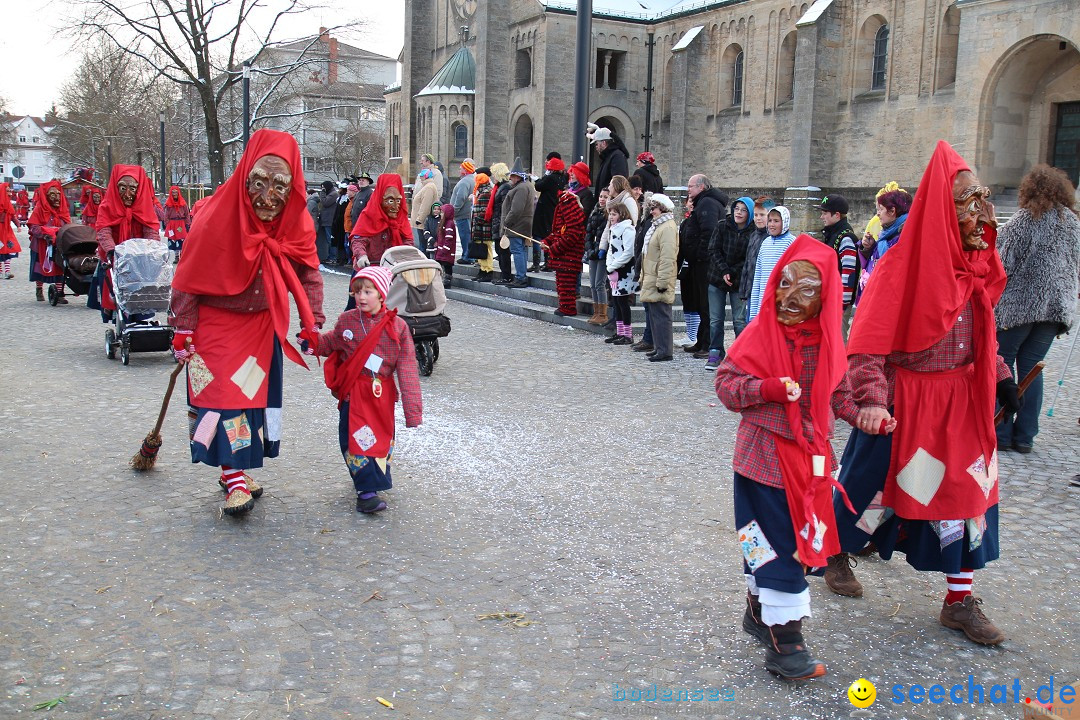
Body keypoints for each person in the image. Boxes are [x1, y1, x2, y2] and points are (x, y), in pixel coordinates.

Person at [824, 141, 1014, 647]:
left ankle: (959, 601)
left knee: (968, 495)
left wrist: (999, 375)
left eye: (984, 199)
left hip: (962, 404)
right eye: (968, 202)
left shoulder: (975, 267)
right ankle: (834, 552)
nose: (981, 213)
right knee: (868, 486)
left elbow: (981, 333)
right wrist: (871, 399)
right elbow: (866, 344)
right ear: (941, 209)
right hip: (904, 403)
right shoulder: (899, 267)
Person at [715, 234, 862, 680]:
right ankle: (787, 642)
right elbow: (726, 386)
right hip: (762, 459)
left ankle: (760, 612)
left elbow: (839, 391)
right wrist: (767, 390)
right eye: (785, 284)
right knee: (773, 542)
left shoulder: (829, 340)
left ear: (827, 297)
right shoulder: (760, 333)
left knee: (793, 539)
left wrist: (867, 415)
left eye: (807, 289)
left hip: (809, 461)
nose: (791, 298)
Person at [170, 129, 326, 516]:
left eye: (280, 185)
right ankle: (234, 475)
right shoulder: (214, 216)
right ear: (244, 177)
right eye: (259, 182)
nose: (268, 196)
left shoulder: (298, 223)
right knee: (222, 401)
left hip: (260, 327)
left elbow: (309, 274)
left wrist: (313, 322)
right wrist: (183, 328)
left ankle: (233, 470)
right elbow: (188, 276)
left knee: (251, 402)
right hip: (217, 325)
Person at [307, 265, 422, 514]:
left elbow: (408, 368)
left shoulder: (398, 327)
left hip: (381, 395)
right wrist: (311, 343)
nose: (361, 297)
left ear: (382, 294)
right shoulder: (347, 320)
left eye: (368, 291)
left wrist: (413, 412)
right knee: (354, 439)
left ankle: (368, 482)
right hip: (354, 393)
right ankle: (366, 491)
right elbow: (331, 342)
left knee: (380, 439)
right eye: (357, 291)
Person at [994, 164, 1080, 453]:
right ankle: (1025, 436)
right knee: (1033, 367)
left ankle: (1002, 431)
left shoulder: (1023, 220)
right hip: (1054, 309)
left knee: (1003, 364)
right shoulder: (1073, 222)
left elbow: (1002, 264)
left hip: (1019, 305)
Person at [95, 165, 160, 319]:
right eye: (122, 188)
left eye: (133, 188)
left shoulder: (145, 207)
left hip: (139, 258)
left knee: (144, 290)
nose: (128, 194)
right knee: (114, 289)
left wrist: (152, 249)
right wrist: (111, 250)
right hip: (115, 256)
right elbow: (104, 230)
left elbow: (150, 229)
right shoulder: (107, 206)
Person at [705, 196, 755, 369]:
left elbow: (749, 258)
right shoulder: (722, 226)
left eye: (743, 210)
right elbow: (713, 249)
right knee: (715, 319)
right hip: (717, 276)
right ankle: (715, 351)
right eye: (736, 208)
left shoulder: (753, 232)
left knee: (739, 320)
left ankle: (740, 355)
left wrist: (732, 272)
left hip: (739, 280)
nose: (738, 213)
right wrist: (724, 270)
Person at [681, 174, 728, 357]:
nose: (688, 190)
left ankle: (707, 345)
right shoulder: (703, 202)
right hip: (699, 262)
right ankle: (701, 340)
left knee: (706, 305)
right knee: (701, 304)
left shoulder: (707, 203)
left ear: (701, 187)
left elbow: (708, 232)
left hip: (705, 263)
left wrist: (699, 256)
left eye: (691, 186)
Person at [637, 194, 678, 361]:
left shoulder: (667, 227)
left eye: (654, 208)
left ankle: (665, 350)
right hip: (652, 276)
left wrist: (662, 282)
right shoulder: (658, 226)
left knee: (661, 315)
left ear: (662, 208)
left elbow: (667, 257)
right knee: (655, 315)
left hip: (659, 278)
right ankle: (659, 346)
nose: (651, 211)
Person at [815, 194, 860, 339]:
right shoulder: (832, 234)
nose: (822, 217)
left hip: (839, 302)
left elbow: (849, 273)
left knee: (837, 341)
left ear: (837, 215)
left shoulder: (845, 238)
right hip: (830, 299)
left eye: (825, 213)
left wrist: (842, 303)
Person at [351, 174, 413, 271]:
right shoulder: (369, 215)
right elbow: (358, 240)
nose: (395, 207)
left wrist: (403, 255)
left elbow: (408, 240)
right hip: (370, 268)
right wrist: (362, 255)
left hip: (394, 269)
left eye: (398, 201)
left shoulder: (401, 218)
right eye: (390, 201)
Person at [858, 186, 911, 297]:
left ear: (892, 211)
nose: (878, 214)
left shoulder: (904, 238)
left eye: (881, 209)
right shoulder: (888, 234)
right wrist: (869, 248)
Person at [747, 206, 796, 322]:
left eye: (776, 221)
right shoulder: (765, 243)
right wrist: (754, 312)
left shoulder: (791, 242)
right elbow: (758, 277)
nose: (772, 224)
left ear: (784, 222)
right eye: (770, 221)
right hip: (763, 302)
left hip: (781, 303)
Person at [542, 188, 586, 316]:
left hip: (568, 256)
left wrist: (554, 248)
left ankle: (568, 308)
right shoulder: (566, 212)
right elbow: (557, 233)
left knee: (566, 284)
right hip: (563, 256)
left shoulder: (571, 215)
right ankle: (565, 306)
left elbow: (571, 235)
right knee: (562, 283)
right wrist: (547, 242)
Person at [26, 180, 71, 303]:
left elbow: (68, 225)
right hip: (41, 244)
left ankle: (59, 293)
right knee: (39, 266)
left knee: (60, 266)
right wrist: (45, 234)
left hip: (58, 243)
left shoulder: (63, 209)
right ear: (46, 196)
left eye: (58, 194)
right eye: (52, 194)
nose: (56, 197)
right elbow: (34, 226)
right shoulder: (40, 209)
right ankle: (39, 289)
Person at [605, 202, 638, 345]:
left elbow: (629, 252)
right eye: (610, 214)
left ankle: (628, 334)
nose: (611, 217)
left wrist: (614, 266)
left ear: (621, 214)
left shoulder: (628, 229)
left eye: (614, 214)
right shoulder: (613, 229)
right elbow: (611, 250)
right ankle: (619, 332)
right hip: (614, 269)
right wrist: (609, 265)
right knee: (616, 302)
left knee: (623, 302)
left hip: (625, 270)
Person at [501, 158, 535, 288]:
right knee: (521, 250)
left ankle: (521, 277)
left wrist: (506, 222)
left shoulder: (520, 189)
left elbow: (516, 209)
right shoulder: (526, 186)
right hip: (523, 224)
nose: (510, 178)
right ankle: (522, 275)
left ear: (517, 177)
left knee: (517, 250)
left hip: (516, 225)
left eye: (512, 176)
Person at [533, 154, 567, 272]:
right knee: (550, 234)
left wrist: (538, 179)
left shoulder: (550, 178)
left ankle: (541, 262)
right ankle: (549, 261)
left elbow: (538, 186)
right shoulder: (562, 178)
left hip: (544, 210)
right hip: (554, 209)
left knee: (542, 235)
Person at [584, 188, 610, 325]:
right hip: (593, 251)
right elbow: (588, 231)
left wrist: (601, 249)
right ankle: (596, 311)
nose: (602, 199)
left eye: (605, 197)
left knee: (599, 283)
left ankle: (602, 313)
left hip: (602, 252)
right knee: (593, 283)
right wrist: (589, 248)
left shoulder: (608, 214)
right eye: (600, 196)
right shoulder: (594, 211)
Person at [487, 163, 513, 284]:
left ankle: (506, 276)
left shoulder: (505, 187)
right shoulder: (499, 187)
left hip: (501, 223)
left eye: (494, 174)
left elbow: (505, 207)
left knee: (503, 250)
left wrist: (504, 225)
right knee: (499, 250)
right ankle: (504, 275)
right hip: (497, 222)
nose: (493, 177)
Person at [589, 125, 630, 194]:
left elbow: (618, 183)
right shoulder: (609, 157)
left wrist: (607, 197)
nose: (596, 147)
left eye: (597, 144)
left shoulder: (616, 156)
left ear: (604, 143)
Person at [471, 172, 495, 282]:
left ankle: (488, 270)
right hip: (481, 226)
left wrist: (478, 220)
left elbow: (485, 211)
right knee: (482, 249)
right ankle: (483, 269)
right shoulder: (483, 192)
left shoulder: (485, 193)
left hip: (483, 226)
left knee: (486, 249)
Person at [451, 159, 476, 265]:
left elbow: (460, 198)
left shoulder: (465, 181)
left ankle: (467, 256)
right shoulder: (472, 179)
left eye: (461, 168)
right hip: (467, 213)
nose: (459, 169)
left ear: (465, 170)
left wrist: (454, 211)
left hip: (462, 214)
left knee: (465, 236)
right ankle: (468, 255)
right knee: (468, 235)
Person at [409, 169, 440, 252]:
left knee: (423, 245)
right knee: (423, 245)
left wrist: (419, 219)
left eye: (421, 176)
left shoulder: (429, 187)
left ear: (426, 176)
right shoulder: (427, 186)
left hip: (422, 222)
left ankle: (424, 263)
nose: (420, 177)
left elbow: (425, 205)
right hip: (422, 220)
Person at [0, 183, 22, 279]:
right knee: (0, 250)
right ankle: (0, 271)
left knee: (10, 249)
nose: (10, 193)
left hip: (7, 231)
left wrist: (18, 225)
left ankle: (7, 271)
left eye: (10, 191)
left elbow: (12, 216)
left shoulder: (9, 204)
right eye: (7, 191)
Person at [164, 185, 192, 263]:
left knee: (181, 239)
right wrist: (166, 224)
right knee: (173, 240)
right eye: (173, 193)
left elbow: (187, 214)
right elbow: (166, 215)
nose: (174, 194)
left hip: (181, 223)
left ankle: (182, 255)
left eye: (176, 192)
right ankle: (176, 256)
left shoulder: (183, 203)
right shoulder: (168, 204)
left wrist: (187, 224)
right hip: (172, 224)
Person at [434, 204, 457, 287]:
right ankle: (441, 280)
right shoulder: (444, 223)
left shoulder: (449, 224)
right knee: (441, 265)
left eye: (443, 213)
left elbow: (449, 238)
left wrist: (444, 249)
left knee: (447, 266)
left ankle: (447, 282)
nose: (441, 214)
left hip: (446, 252)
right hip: (442, 251)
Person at [317, 180, 338, 265]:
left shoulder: (333, 194)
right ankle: (329, 256)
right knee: (327, 240)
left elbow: (325, 203)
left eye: (323, 188)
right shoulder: (330, 194)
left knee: (330, 240)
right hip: (326, 220)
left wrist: (322, 193)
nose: (323, 189)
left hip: (329, 220)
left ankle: (333, 257)